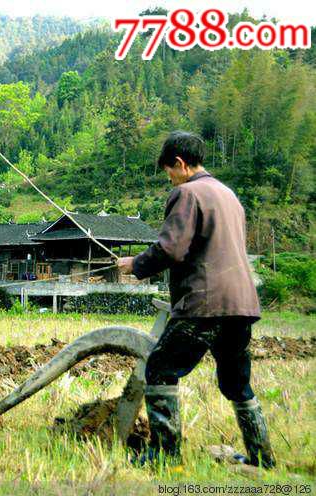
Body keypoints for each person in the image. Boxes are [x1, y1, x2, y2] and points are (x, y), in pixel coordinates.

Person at [117, 131, 275, 469]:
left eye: (169, 172)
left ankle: (164, 456)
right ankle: (262, 459)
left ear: (180, 163)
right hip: (241, 305)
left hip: (205, 302)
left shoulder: (187, 193)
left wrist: (134, 264)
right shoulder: (228, 194)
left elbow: (171, 249)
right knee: (236, 382)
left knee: (160, 367)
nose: (170, 180)